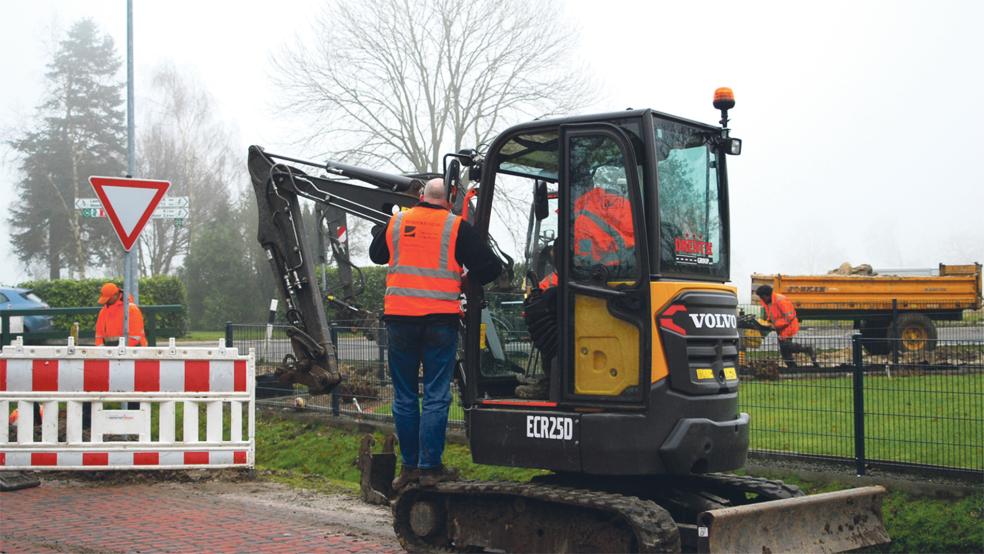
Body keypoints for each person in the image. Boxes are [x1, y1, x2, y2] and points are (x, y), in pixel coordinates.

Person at [369, 178, 502, 490]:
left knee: (403, 395)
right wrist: (466, 274)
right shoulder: (456, 227)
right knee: (436, 394)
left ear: (420, 195)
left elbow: (377, 255)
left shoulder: (397, 222)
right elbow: (491, 269)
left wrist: (385, 228)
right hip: (440, 322)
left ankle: (409, 469)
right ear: (450, 198)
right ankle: (430, 468)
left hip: (400, 320)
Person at [755, 284, 817, 368]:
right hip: (780, 327)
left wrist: (775, 325)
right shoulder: (767, 301)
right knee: (784, 349)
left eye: (762, 297)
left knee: (785, 346)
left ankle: (807, 349)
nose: (761, 299)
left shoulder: (781, 300)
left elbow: (789, 318)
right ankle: (792, 367)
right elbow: (772, 313)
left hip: (788, 326)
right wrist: (769, 322)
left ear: (767, 295)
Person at [94, 282, 148, 347]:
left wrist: (116, 351)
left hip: (134, 351)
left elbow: (135, 338)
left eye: (109, 299)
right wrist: (102, 352)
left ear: (116, 295)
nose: (106, 301)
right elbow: (99, 335)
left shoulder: (131, 309)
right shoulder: (103, 311)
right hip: (112, 351)